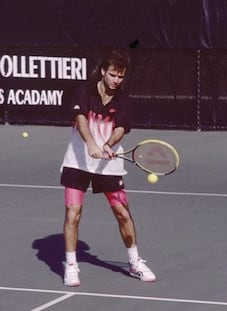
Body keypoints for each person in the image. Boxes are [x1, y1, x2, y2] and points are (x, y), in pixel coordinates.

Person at [60, 50, 156, 286]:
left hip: (109, 163)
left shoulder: (123, 99)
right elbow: (80, 117)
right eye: (113, 75)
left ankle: (134, 262)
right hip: (77, 161)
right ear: (103, 71)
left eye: (121, 77)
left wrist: (107, 144)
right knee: (73, 213)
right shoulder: (84, 89)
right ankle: (71, 265)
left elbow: (121, 128)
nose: (116, 80)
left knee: (123, 213)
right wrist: (91, 143)